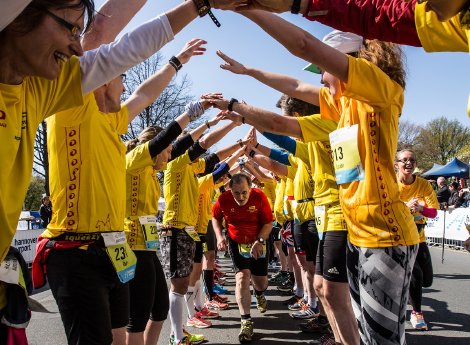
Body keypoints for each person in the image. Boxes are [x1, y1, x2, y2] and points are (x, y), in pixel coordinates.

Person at [210, 14, 419, 343]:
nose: (321, 80)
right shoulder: (342, 107)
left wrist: (248, 9)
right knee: (361, 330)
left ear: (345, 63)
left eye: (324, 71)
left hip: (384, 233)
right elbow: (293, 90)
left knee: (381, 340)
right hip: (357, 232)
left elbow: (304, 45)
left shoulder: (377, 88)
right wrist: (245, 82)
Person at [161, 118, 238, 345]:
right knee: (178, 284)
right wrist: (225, 123)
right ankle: (177, 335)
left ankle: (182, 330)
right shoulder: (175, 163)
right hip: (175, 229)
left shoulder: (190, 168)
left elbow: (217, 160)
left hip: (188, 230)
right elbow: (202, 144)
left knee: (184, 282)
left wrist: (239, 141)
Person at [212, 173, 273, 343]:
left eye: (244, 192)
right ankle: (246, 321)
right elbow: (215, 218)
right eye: (236, 193)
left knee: (261, 282)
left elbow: (268, 223)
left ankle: (259, 293)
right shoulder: (223, 199)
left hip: (258, 240)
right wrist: (219, 237)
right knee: (242, 278)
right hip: (236, 241)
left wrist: (260, 240)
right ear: (230, 190)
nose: (241, 197)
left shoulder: (259, 196)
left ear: (250, 187)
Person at [395, 149, 439, 331]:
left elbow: (434, 212)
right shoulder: (390, 183)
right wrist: (404, 206)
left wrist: (421, 208)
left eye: (412, 160)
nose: (408, 163)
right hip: (398, 239)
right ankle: (417, 313)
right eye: (404, 160)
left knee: (426, 280)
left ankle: (404, 289)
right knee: (416, 274)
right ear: (396, 164)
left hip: (418, 237)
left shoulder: (423, 185)